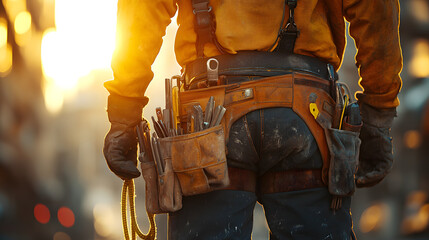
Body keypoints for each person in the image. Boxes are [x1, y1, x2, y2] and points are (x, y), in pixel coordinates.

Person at [103, 0, 402, 239]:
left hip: (206, 123)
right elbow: (376, 11)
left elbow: (141, 12)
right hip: (308, 115)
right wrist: (377, 113)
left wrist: (124, 114)